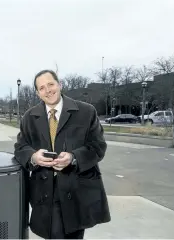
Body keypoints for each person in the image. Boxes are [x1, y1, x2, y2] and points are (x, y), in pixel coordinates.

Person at [14, 69, 110, 239]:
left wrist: (73, 158)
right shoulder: (29, 117)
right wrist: (33, 157)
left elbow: (98, 146)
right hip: (44, 191)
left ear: (60, 84)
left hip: (76, 189)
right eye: (42, 88)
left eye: (51, 84)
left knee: (71, 234)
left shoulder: (86, 112)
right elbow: (20, 147)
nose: (48, 90)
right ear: (37, 93)